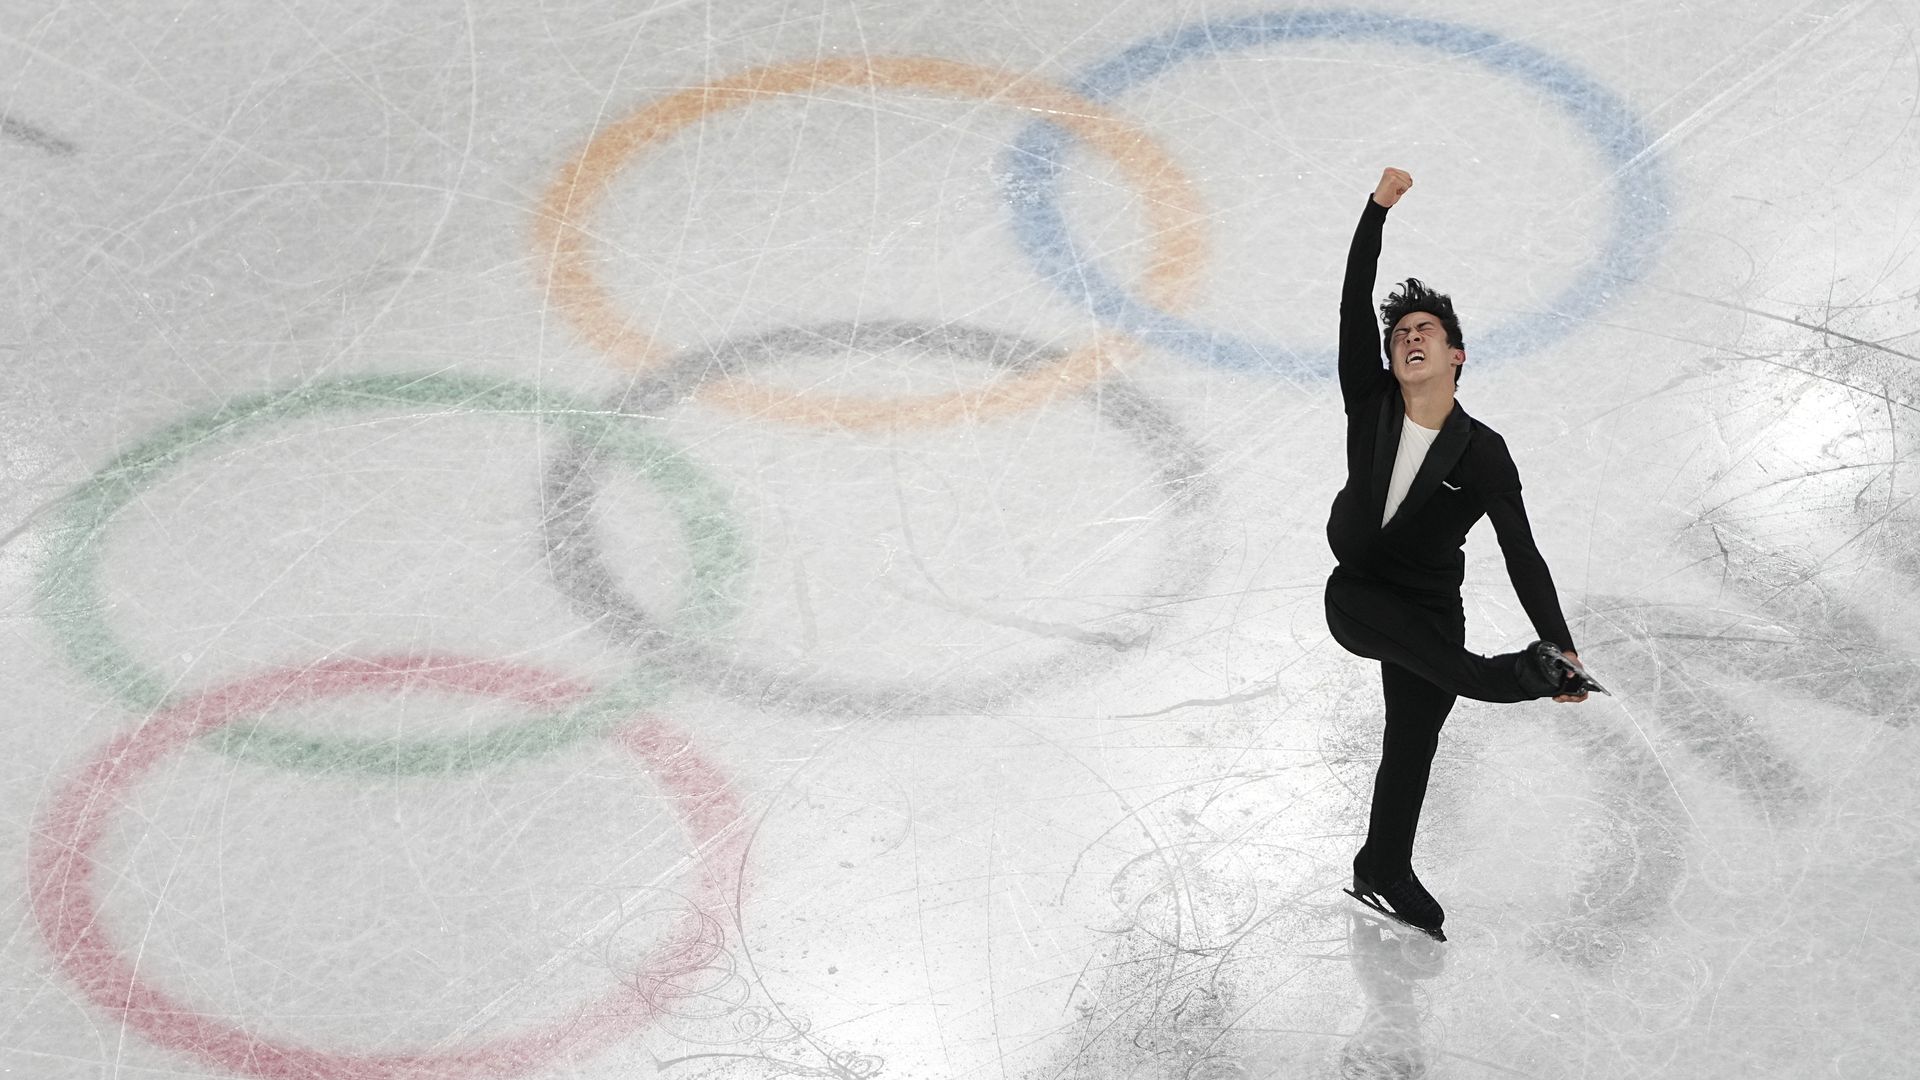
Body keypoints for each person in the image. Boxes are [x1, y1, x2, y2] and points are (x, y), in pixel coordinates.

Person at [1323, 167, 1605, 942]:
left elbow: (1524, 555)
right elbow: (1353, 300)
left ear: (1458, 356)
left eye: (1426, 333)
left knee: (1414, 737)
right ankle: (1520, 676)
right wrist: (1374, 212)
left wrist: (1564, 637)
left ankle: (1381, 866)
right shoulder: (1370, 399)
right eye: (1401, 335)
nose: (1410, 339)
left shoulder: (1483, 454)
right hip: (1359, 595)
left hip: (1427, 602)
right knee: (1461, 675)